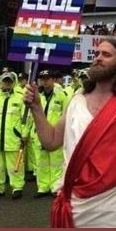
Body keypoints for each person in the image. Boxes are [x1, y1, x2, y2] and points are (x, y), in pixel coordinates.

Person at [23, 39, 116, 228]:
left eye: (106, 55)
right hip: (74, 203)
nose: (98, 58)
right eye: (97, 54)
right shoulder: (77, 99)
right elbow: (51, 141)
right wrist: (36, 107)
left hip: (114, 204)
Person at [0, 72, 27, 200]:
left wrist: (24, 134)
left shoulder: (20, 98)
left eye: (9, 81)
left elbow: (25, 118)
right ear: (1, 82)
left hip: (13, 138)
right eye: (5, 81)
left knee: (15, 164)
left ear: (13, 82)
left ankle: (17, 187)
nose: (7, 83)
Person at [32, 70, 69, 198]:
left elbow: (66, 115)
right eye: (43, 79)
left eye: (48, 79)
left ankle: (55, 187)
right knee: (41, 162)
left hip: (55, 133)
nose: (45, 81)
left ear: (53, 80)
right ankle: (43, 187)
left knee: (56, 162)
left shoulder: (62, 95)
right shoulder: (38, 95)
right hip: (39, 133)